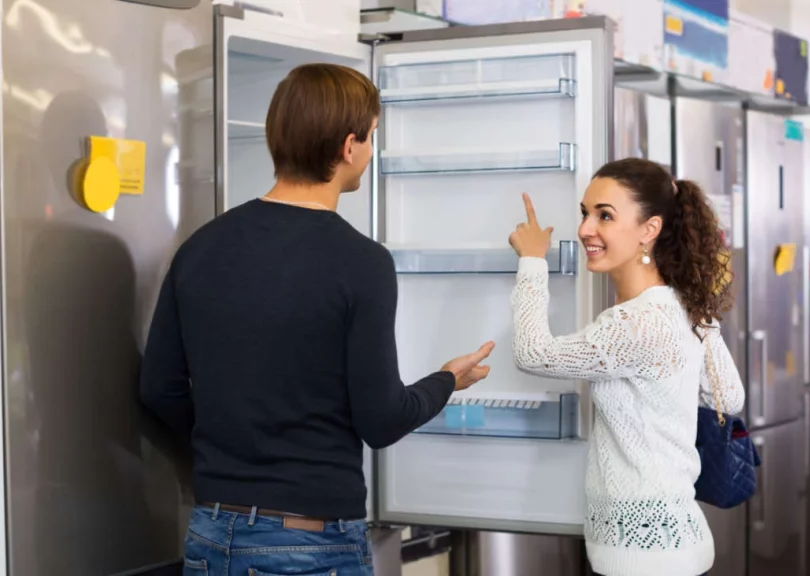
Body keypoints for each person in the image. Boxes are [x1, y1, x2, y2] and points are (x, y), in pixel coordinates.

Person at [140, 63, 495, 576]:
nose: (371, 152)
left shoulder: (201, 246)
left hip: (211, 534)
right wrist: (447, 381)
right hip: (307, 544)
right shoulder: (361, 262)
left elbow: (159, 389)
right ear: (349, 147)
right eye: (372, 137)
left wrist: (236, 441)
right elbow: (382, 419)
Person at [507, 158, 745, 576]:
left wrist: (531, 262)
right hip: (679, 542)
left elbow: (533, 353)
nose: (585, 229)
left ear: (649, 230)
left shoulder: (634, 324)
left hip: (642, 559)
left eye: (605, 216)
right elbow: (729, 396)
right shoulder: (680, 307)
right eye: (585, 213)